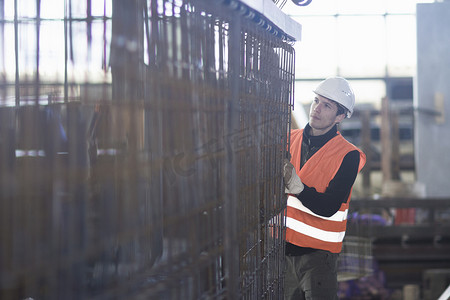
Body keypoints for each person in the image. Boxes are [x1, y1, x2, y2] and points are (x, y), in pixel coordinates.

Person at [283, 76, 366, 299]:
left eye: (326, 105)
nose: (316, 109)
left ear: (340, 116)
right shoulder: (287, 139)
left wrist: (297, 187)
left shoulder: (348, 155)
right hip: (280, 251)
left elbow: (329, 206)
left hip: (319, 258)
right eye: (316, 101)